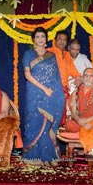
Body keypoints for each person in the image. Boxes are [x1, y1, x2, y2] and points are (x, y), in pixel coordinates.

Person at [22, 27, 65, 166]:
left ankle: (47, 156)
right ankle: (33, 157)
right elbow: (27, 75)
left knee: (47, 124)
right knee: (34, 122)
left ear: (46, 40)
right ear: (33, 39)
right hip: (34, 93)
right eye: (38, 37)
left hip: (50, 94)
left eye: (43, 36)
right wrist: (44, 88)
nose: (40, 39)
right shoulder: (28, 54)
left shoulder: (51, 56)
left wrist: (55, 93)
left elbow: (56, 77)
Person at [47, 30, 81, 126]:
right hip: (51, 91)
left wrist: (79, 77)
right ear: (55, 40)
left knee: (62, 117)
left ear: (67, 42)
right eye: (60, 39)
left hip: (63, 91)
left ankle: (59, 138)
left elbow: (73, 71)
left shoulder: (67, 55)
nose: (62, 42)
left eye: (64, 40)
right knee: (51, 117)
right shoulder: (48, 52)